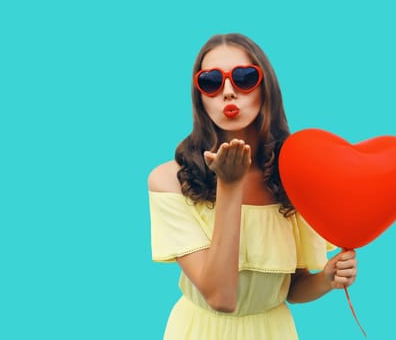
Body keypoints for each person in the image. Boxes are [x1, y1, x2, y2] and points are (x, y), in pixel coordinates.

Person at [147, 33, 358, 339]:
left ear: (266, 88)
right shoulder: (169, 181)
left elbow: (291, 288)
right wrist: (230, 186)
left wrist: (327, 278)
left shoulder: (294, 176)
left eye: (245, 78)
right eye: (211, 82)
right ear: (200, 97)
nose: (228, 92)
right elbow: (221, 298)